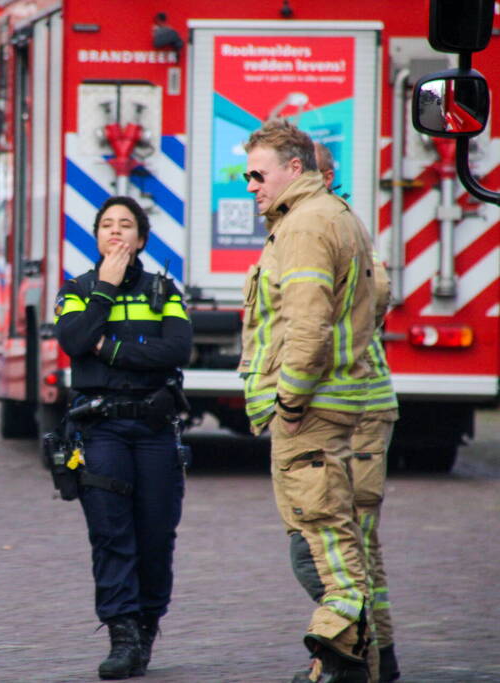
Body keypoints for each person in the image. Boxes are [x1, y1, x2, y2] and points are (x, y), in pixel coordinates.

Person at [239, 119, 378, 682]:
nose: (250, 185)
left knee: (318, 545)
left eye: (258, 173)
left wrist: (290, 402)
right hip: (333, 403)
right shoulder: (333, 215)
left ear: (294, 169)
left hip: (311, 412)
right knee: (328, 536)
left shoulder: (303, 226)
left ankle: (339, 664)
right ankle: (342, 666)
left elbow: (308, 322)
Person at [54, 196, 192, 680]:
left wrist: (108, 347)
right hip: (100, 429)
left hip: (155, 430)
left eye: (125, 225)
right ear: (95, 237)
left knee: (156, 535)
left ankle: (147, 626)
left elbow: (178, 348)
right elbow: (72, 341)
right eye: (107, 225)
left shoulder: (163, 289)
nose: (116, 232)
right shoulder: (79, 289)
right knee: (112, 535)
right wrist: (106, 291)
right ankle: (122, 635)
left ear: (141, 238)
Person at [315, 141, 402, 683]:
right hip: (349, 403)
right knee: (351, 540)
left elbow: (379, 294)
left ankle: (359, 657)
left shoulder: (338, 224)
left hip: (360, 404)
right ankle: (375, 656)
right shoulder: (321, 222)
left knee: (352, 538)